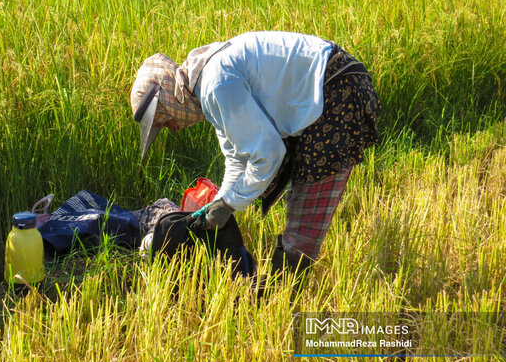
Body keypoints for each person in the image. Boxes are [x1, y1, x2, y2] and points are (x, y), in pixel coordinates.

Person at [129, 31, 379, 277]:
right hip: (334, 85)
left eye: (163, 121)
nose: (171, 128)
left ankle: (288, 294)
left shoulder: (216, 84)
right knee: (301, 200)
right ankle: (284, 289)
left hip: (337, 87)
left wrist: (229, 204)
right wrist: (220, 204)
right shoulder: (209, 86)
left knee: (307, 205)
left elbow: (267, 154)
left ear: (169, 98)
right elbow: (237, 159)